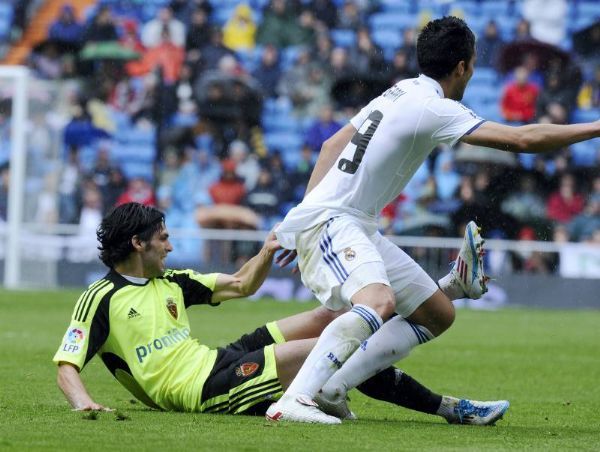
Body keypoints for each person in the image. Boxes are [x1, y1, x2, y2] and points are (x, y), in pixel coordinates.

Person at [266, 16, 600, 424]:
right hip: (336, 222)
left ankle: (333, 387)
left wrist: (301, 215)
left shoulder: (399, 91)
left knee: (437, 312)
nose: (472, 73)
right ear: (461, 67)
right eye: (473, 65)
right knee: (379, 302)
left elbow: (330, 147)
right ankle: (295, 399)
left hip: (351, 223)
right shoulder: (435, 107)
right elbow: (522, 140)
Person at [54, 202, 507, 424]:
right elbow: (67, 365)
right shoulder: (101, 297)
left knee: (328, 318)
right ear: (138, 244)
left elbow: (243, 284)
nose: (171, 246)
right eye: (163, 238)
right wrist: (84, 402)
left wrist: (270, 246)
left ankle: (446, 290)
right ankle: (450, 408)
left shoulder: (171, 282)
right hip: (201, 389)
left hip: (217, 360)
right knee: (340, 346)